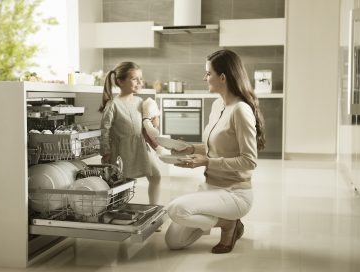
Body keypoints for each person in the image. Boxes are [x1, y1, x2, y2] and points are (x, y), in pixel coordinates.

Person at [164, 49, 265, 254]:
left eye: (208, 73)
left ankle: (229, 224)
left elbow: (249, 161)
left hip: (235, 193)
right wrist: (189, 149)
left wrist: (207, 162)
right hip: (210, 187)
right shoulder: (218, 105)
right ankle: (221, 221)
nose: (204, 78)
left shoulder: (240, 110)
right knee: (173, 241)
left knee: (175, 209)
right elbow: (215, 148)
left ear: (222, 77)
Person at [98, 61, 161, 205]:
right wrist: (105, 152)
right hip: (122, 152)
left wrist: (154, 117)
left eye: (141, 78)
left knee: (156, 175)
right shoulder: (113, 104)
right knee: (123, 185)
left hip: (140, 148)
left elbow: (148, 125)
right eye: (134, 79)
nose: (140, 82)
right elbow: (104, 130)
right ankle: (120, 211)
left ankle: (153, 208)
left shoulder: (140, 101)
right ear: (120, 81)